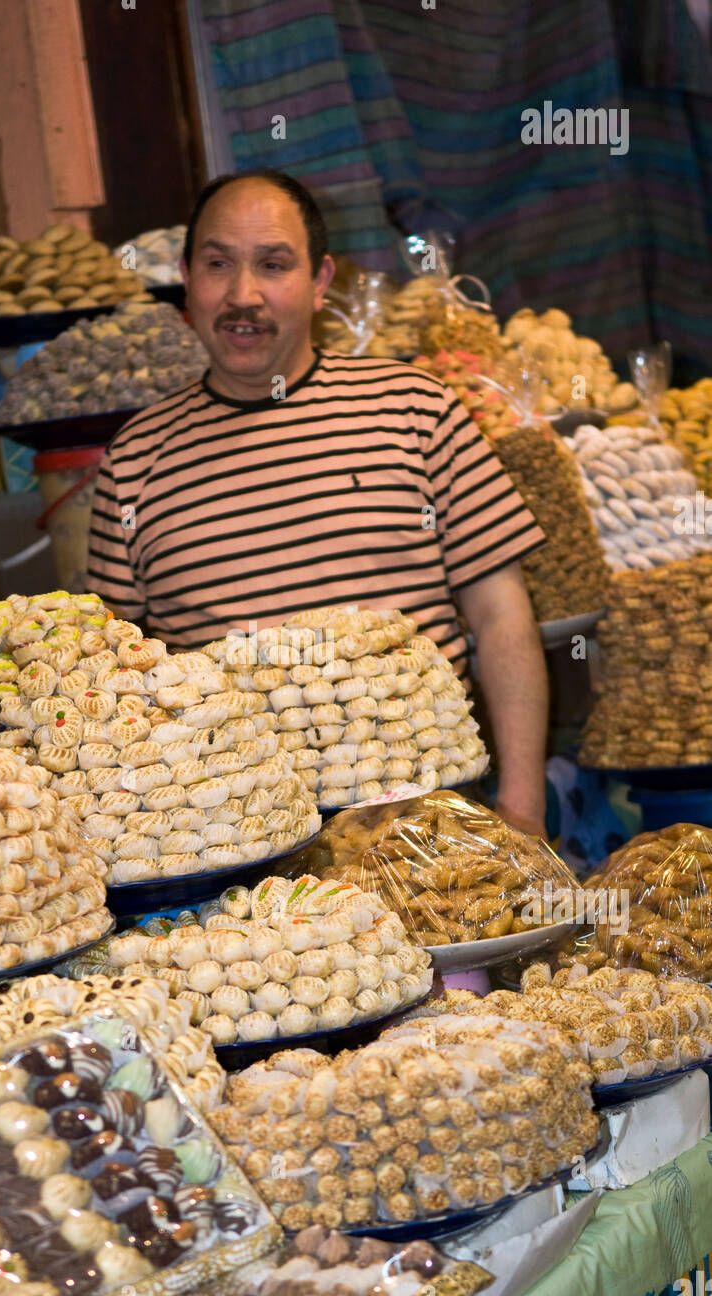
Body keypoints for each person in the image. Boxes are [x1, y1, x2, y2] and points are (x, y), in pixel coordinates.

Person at [88, 170, 549, 835]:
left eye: (273, 265)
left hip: (430, 823)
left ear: (320, 280)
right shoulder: (134, 458)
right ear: (186, 277)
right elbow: (116, 674)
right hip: (238, 846)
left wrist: (521, 811)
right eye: (218, 265)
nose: (242, 296)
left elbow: (502, 620)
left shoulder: (414, 408)